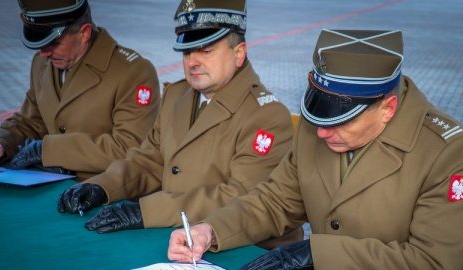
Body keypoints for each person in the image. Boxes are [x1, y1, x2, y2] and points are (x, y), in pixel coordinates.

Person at [167, 29, 463, 269]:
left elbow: (433, 260)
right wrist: (210, 230)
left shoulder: (446, 153)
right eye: (320, 115)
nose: (321, 131)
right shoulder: (316, 131)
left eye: (341, 119)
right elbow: (276, 201)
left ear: (387, 108)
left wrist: (317, 254)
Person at [56, 0, 296, 244]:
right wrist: (101, 187)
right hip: (177, 234)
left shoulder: (267, 115)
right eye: (187, 51)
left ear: (238, 53)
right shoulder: (176, 96)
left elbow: (239, 197)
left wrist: (147, 211)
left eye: (206, 51)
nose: (192, 62)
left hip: (240, 248)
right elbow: (149, 162)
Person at [0, 0, 160, 180]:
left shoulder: (132, 72)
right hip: (50, 184)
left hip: (104, 193)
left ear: (84, 33)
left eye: (54, 42)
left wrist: (50, 150)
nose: (44, 52)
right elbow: (31, 121)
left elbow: (130, 147)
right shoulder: (42, 64)